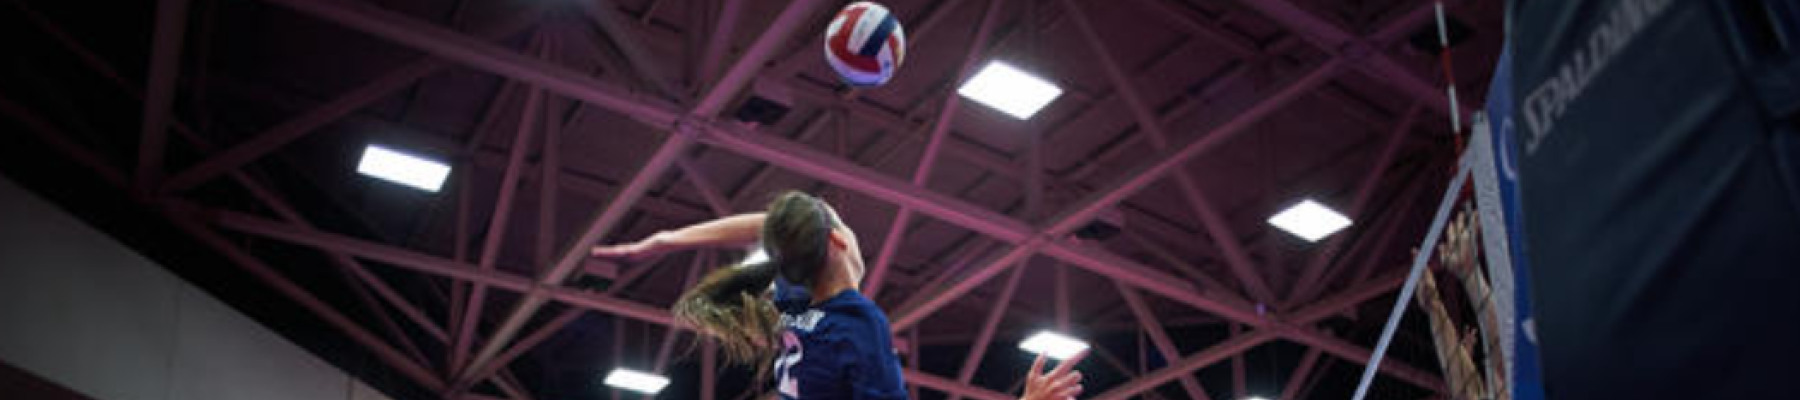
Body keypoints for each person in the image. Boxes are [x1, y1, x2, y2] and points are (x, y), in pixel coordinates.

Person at [591, 190, 1086, 400]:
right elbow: (772, 227)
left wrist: (667, 240)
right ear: (837, 239)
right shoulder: (859, 325)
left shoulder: (793, 293)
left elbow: (768, 226)